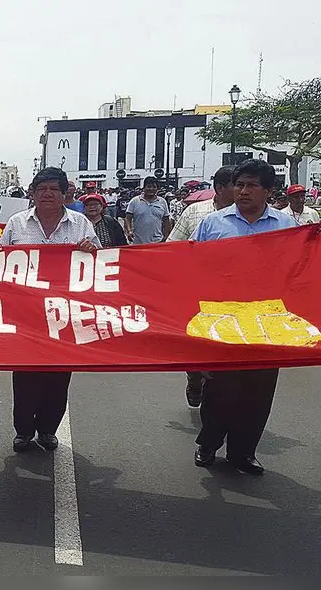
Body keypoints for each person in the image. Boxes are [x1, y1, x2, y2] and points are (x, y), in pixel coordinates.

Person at [191, 159, 298, 475]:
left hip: (268, 321)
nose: (243, 191)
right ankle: (208, 444)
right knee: (220, 388)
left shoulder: (286, 227)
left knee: (258, 390)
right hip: (223, 318)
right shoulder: (213, 224)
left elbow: (296, 272)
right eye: (239, 185)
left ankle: (243, 452)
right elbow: (192, 266)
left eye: (252, 185)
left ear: (268, 190)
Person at [0, 168, 99, 453]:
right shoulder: (16, 224)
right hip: (26, 315)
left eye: (53, 189)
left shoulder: (81, 224)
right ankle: (23, 431)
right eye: (41, 189)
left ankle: (48, 430)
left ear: (64, 194)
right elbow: (1, 260)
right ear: (33, 194)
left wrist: (91, 249)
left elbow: (101, 263)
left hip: (65, 314)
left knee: (58, 377)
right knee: (25, 376)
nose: (47, 194)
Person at [166, 166, 237, 408]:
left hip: (235, 296)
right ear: (220, 188)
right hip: (199, 293)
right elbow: (174, 246)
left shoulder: (251, 217)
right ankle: (195, 377)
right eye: (236, 185)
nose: (241, 191)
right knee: (197, 345)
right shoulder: (195, 212)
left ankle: (219, 396)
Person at [125, 177, 172, 244]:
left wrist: (166, 236)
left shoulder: (162, 202)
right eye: (149, 187)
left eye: (154, 187)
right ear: (144, 188)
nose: (151, 189)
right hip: (138, 242)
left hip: (158, 241)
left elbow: (166, 220)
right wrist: (129, 231)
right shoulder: (134, 201)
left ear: (157, 188)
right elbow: (128, 218)